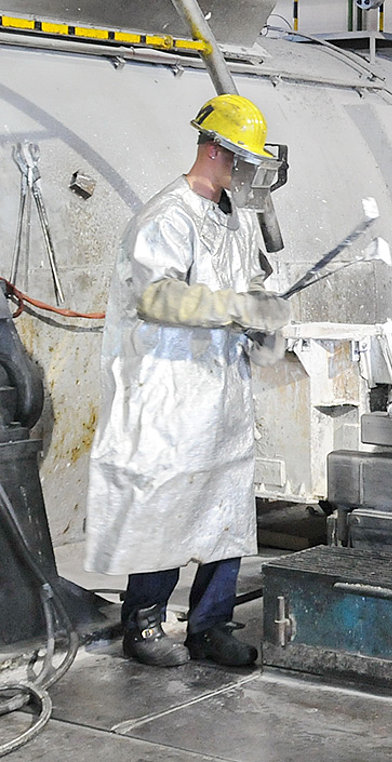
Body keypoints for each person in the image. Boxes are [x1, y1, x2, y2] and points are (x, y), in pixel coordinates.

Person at [85, 94, 291, 667]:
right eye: (242, 162)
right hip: (167, 393)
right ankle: (144, 624)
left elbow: (247, 289)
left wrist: (264, 318)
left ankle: (210, 626)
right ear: (213, 151)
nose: (248, 176)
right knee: (165, 506)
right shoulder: (166, 216)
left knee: (222, 506)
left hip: (219, 395)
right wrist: (236, 308)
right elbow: (157, 296)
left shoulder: (237, 218)